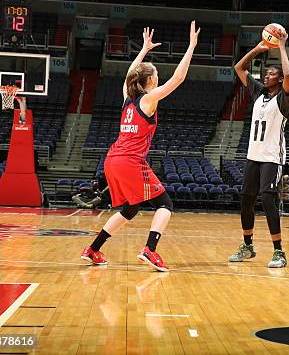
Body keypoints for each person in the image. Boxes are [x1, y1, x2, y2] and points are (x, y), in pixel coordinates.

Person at [81, 24, 200, 271]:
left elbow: (128, 75)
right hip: (129, 161)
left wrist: (144, 50)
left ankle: (93, 249)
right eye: (156, 75)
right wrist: (190, 47)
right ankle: (150, 250)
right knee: (165, 204)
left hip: (112, 159)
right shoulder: (148, 99)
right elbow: (178, 78)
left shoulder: (127, 98)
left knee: (130, 208)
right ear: (152, 80)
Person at [228, 26, 289, 268]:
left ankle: (279, 252)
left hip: (271, 158)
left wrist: (282, 48)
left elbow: (288, 77)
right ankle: (247, 246)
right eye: (266, 73)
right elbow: (239, 68)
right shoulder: (257, 92)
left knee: (268, 200)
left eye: (271, 73)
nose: (267, 75)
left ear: (278, 79)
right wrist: (260, 47)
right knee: (246, 201)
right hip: (252, 156)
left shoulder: (283, 98)